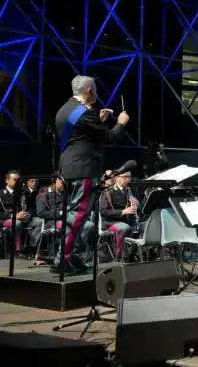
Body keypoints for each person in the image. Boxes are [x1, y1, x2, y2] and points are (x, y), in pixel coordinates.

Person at [54, 75, 129, 274]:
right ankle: (63, 258)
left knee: (77, 215)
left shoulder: (66, 109)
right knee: (77, 216)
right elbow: (109, 137)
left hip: (69, 167)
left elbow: (81, 134)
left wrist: (99, 120)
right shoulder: (85, 113)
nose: (96, 91)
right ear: (88, 89)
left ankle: (72, 256)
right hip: (84, 168)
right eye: (94, 88)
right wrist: (121, 122)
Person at [98, 171, 138, 260]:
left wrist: (136, 204)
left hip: (126, 221)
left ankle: (132, 254)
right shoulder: (108, 192)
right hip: (110, 223)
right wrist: (123, 211)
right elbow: (103, 211)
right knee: (123, 228)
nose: (128, 179)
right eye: (126, 177)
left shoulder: (129, 191)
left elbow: (136, 208)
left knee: (143, 227)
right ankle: (120, 256)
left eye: (130, 177)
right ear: (117, 178)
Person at [0, 170, 25, 255]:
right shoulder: (1, 194)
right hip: (4, 220)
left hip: (21, 218)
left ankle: (33, 249)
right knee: (17, 223)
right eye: (15, 179)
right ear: (7, 180)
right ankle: (17, 250)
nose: (17, 182)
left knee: (38, 221)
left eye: (18, 180)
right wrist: (13, 216)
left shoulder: (21, 194)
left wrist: (25, 215)